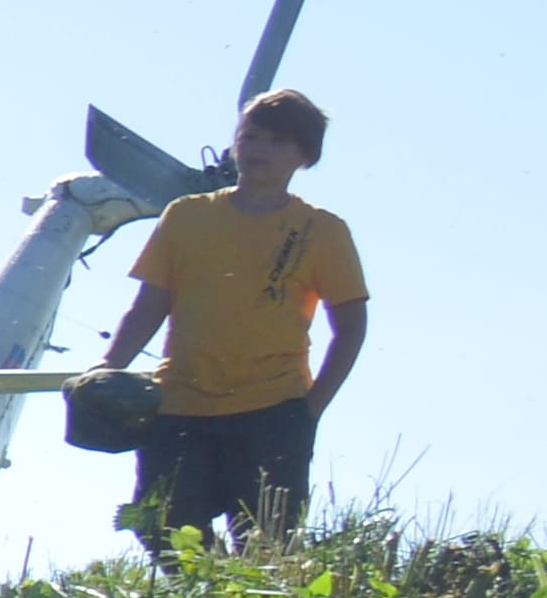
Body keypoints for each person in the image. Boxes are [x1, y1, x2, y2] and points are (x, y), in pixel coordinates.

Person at [100, 88, 366, 554]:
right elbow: (148, 305)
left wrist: (312, 406)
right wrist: (107, 369)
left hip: (273, 407)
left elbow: (351, 327)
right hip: (180, 403)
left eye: (278, 141)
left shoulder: (322, 230)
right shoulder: (187, 215)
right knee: (163, 525)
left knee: (268, 545)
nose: (259, 149)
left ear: (305, 156)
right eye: (251, 136)